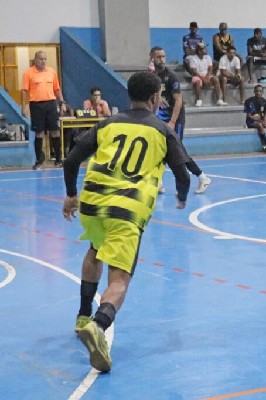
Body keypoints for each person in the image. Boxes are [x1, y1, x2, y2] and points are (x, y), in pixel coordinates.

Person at [62, 71, 191, 372]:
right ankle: (98, 325)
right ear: (156, 97)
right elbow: (182, 174)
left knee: (95, 249)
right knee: (119, 279)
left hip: (93, 203)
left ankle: (83, 315)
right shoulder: (162, 130)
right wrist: (182, 196)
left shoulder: (108, 123)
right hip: (126, 209)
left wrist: (70, 195)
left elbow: (71, 160)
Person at [150, 46, 212, 194]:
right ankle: (158, 181)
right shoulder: (152, 77)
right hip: (160, 118)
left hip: (175, 119)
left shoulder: (171, 76)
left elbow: (178, 100)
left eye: (164, 56)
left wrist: (172, 122)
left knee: (177, 151)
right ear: (152, 58)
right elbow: (155, 100)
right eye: (159, 57)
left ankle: (202, 177)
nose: (162, 59)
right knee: (159, 149)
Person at [21, 50, 67, 169]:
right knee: (39, 133)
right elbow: (24, 91)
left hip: (51, 104)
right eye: (41, 59)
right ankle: (39, 161)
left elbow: (57, 89)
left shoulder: (51, 72)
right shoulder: (28, 73)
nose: (43, 61)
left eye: (45, 59)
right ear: (35, 60)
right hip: (36, 105)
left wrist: (62, 102)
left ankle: (58, 159)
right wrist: (24, 106)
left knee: (55, 131)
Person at [185, 42, 223, 107]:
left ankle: (219, 99)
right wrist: (203, 79)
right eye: (204, 49)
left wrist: (207, 77)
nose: (206, 50)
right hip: (197, 76)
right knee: (197, 82)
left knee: (216, 79)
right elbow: (194, 71)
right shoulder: (193, 59)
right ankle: (199, 100)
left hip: (206, 75)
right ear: (199, 51)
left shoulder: (208, 57)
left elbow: (210, 68)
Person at [244, 84, 266, 152]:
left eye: (260, 91)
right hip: (251, 121)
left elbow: (265, 114)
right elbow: (249, 116)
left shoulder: (265, 101)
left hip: (261, 120)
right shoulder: (248, 101)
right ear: (254, 91)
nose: (258, 93)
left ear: (262, 92)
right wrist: (259, 120)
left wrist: (264, 121)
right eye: (257, 91)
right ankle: (265, 145)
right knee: (260, 125)